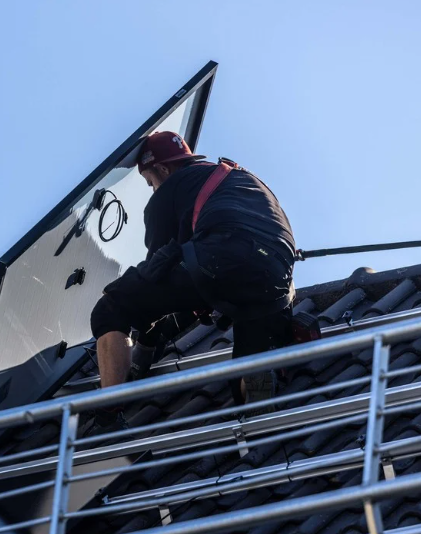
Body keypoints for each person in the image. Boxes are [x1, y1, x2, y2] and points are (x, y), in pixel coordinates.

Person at [89, 131, 297, 403]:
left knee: (113, 306)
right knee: (250, 360)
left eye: (149, 181)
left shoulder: (169, 190)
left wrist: (146, 345)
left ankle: (109, 414)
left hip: (223, 257)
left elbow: (155, 273)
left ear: (162, 169)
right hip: (278, 276)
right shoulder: (241, 178)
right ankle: (255, 382)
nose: (152, 189)